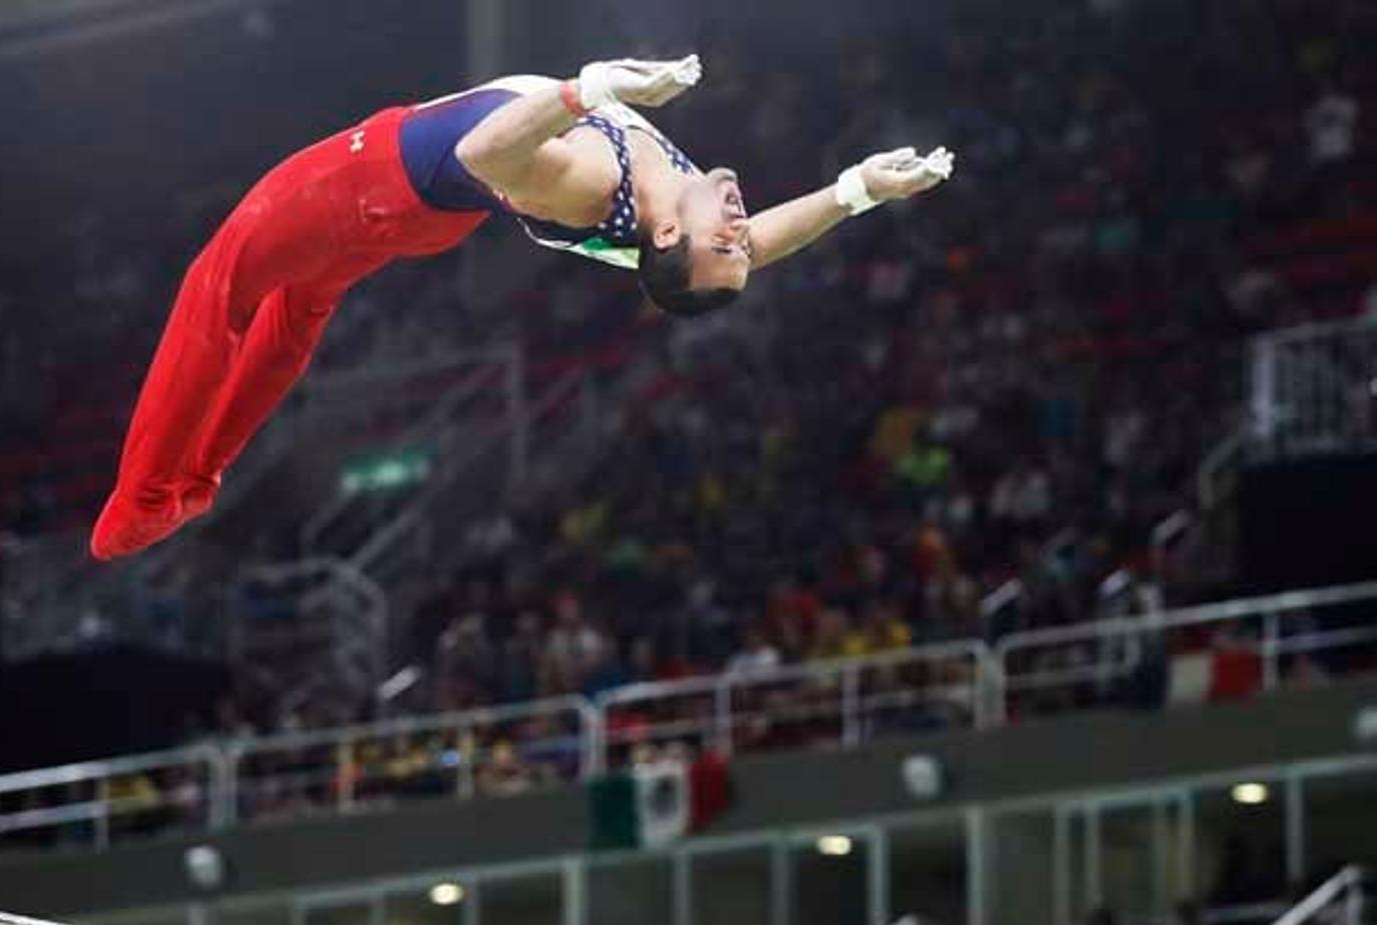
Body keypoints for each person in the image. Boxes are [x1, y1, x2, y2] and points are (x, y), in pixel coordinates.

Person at [91, 57, 955, 557]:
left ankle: (142, 500)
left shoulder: (592, 181)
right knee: (298, 308)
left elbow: (482, 150)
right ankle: (197, 483)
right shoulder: (675, 205)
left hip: (370, 180)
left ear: (663, 238)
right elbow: (754, 246)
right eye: (742, 247)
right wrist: (855, 191)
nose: (742, 230)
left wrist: (583, 91)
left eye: (726, 244)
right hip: (415, 219)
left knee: (223, 281)